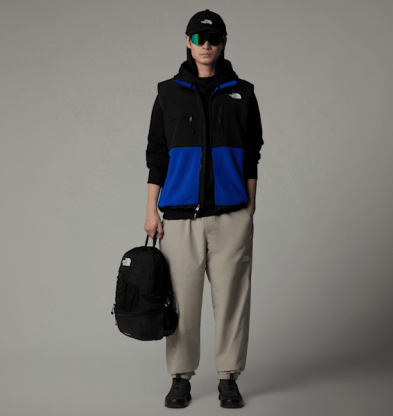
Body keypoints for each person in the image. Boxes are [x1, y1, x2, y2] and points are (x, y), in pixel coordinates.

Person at [145, 9, 264, 409]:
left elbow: (252, 153)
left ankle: (229, 377)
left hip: (231, 217)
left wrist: (249, 206)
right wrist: (151, 211)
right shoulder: (167, 93)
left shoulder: (243, 92)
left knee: (232, 301)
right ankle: (180, 378)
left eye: (213, 39)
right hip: (180, 219)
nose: (206, 45)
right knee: (181, 303)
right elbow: (157, 155)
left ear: (223, 43)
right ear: (187, 41)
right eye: (199, 38)